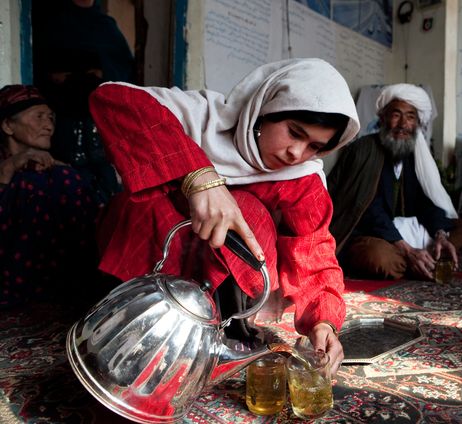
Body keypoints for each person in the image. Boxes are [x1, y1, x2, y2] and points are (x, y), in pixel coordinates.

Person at [89, 58, 360, 376]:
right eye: (294, 133)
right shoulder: (203, 117)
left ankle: (223, 330)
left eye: (315, 146)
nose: (296, 154)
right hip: (163, 247)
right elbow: (112, 98)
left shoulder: (303, 178)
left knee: (248, 211)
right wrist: (199, 177)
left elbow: (313, 250)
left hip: (228, 277)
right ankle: (136, 321)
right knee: (145, 203)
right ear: (264, 111)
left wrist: (323, 320)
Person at [328, 83, 462, 281]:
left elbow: (424, 202)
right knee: (379, 258)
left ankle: (426, 257)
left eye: (410, 117)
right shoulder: (364, 150)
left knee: (459, 228)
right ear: (383, 118)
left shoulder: (413, 155)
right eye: (396, 115)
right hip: (368, 233)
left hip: (406, 231)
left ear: (417, 124)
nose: (403, 124)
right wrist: (407, 248)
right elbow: (367, 210)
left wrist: (440, 234)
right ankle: (423, 261)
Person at [0, 84, 100, 308]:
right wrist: (9, 168)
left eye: (51, 118)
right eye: (38, 117)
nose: (49, 126)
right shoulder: (10, 170)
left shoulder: (60, 175)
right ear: (7, 125)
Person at [32, 0, 135, 206]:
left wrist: (94, 76)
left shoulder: (106, 27)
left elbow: (123, 77)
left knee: (106, 194)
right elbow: (46, 72)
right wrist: (84, 76)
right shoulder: (48, 21)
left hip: (99, 127)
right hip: (62, 125)